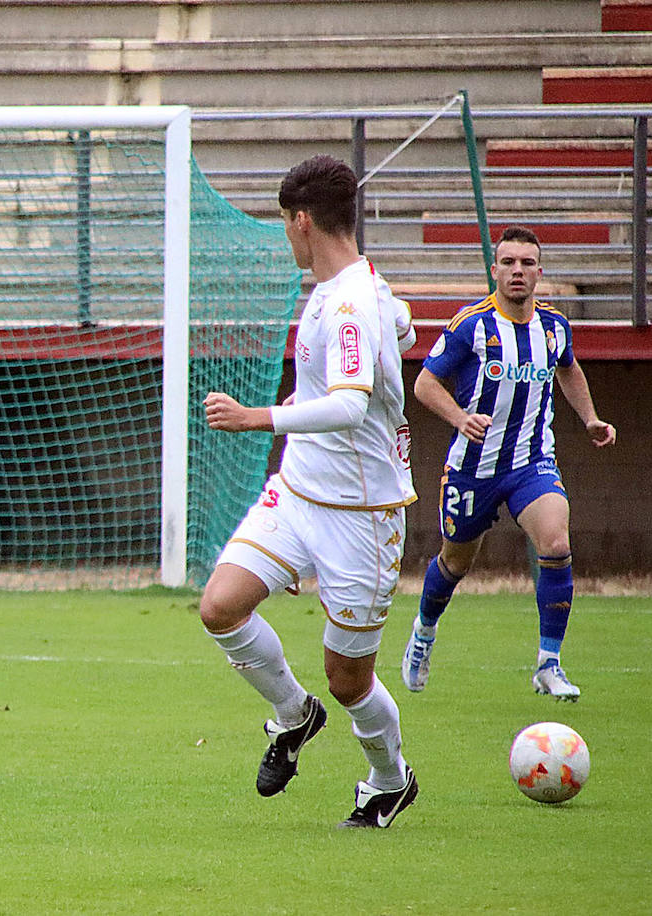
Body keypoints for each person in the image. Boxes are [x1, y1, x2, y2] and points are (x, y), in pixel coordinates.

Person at [198, 155, 419, 829]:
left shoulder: (349, 302)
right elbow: (403, 330)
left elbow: (351, 405)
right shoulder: (353, 288)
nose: (285, 239)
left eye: (284, 226)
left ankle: (389, 779)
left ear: (302, 221)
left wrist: (255, 415)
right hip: (298, 495)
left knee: (348, 678)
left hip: (361, 518)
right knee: (220, 607)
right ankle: (294, 718)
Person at [401, 226, 615, 701]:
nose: (517, 271)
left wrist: (591, 419)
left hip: (530, 462)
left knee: (556, 541)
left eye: (527, 263)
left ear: (540, 271)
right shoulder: (469, 326)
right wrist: (460, 418)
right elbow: (424, 385)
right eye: (508, 262)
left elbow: (569, 368)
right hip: (472, 468)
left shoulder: (555, 327)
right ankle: (424, 631)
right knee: (454, 563)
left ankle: (549, 662)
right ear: (494, 270)